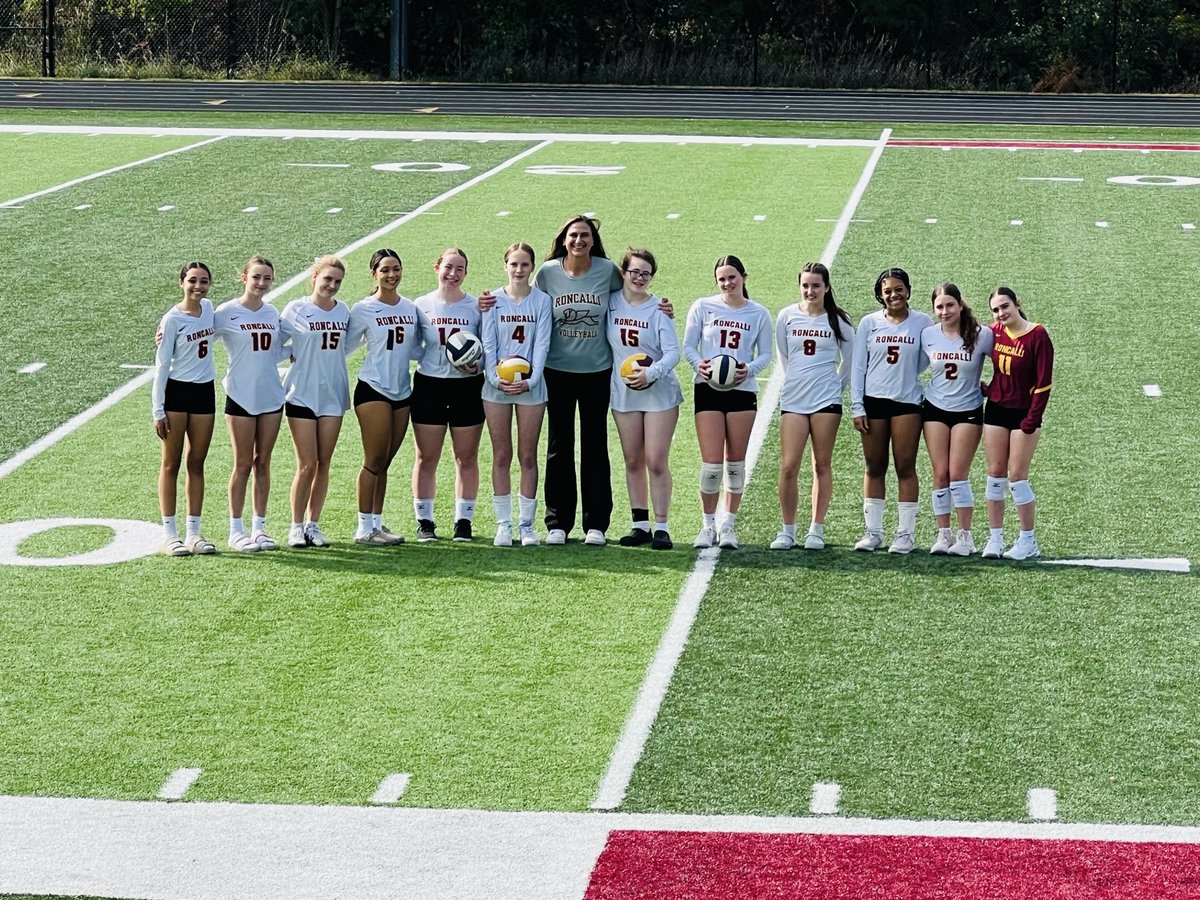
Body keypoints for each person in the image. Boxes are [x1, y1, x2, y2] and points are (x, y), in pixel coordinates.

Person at [533, 215, 624, 547]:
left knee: (595, 446)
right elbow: (531, 308)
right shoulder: (547, 273)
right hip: (556, 372)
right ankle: (558, 522)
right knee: (559, 446)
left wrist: (662, 308)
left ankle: (596, 523)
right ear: (563, 239)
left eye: (585, 235)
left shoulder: (606, 270)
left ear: (593, 239)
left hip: (597, 371)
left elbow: (629, 300)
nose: (579, 241)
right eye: (573, 235)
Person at [683, 255, 773, 550]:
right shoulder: (703, 306)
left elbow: (765, 354)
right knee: (711, 466)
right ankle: (707, 525)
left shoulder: (758, 313)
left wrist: (750, 370)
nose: (727, 283)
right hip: (708, 389)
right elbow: (688, 345)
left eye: (732, 277)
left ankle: (729, 525)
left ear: (743, 277)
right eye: (722, 278)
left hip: (741, 390)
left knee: (735, 465)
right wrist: (700, 366)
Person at [771, 262, 855, 551]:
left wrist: (835, 386)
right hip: (794, 399)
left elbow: (850, 361)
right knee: (789, 466)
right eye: (805, 285)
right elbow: (784, 356)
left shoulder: (839, 320)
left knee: (821, 463)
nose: (810, 290)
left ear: (827, 287)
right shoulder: (786, 316)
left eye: (816, 285)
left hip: (826, 401)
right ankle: (787, 530)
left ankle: (816, 529)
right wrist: (797, 380)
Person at [850, 267, 933, 554]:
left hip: (907, 402)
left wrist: (904, 374)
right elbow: (858, 365)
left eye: (899, 289)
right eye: (887, 291)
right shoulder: (869, 323)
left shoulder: (923, 321)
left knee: (905, 466)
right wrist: (857, 405)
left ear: (908, 290)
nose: (894, 295)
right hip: (873, 402)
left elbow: (926, 360)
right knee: (874, 466)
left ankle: (905, 535)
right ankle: (873, 533)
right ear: (880, 296)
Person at [607, 248, 682, 551]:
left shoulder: (658, 309)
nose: (639, 278)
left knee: (655, 459)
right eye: (634, 271)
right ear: (623, 273)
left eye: (645, 273)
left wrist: (651, 374)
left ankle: (662, 526)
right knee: (633, 459)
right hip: (624, 393)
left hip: (659, 394)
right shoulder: (610, 303)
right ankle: (640, 525)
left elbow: (672, 353)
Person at [347, 248, 422, 546]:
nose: (392, 275)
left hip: (402, 390)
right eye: (385, 270)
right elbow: (345, 346)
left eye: (396, 269)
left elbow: (416, 349)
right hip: (373, 389)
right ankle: (363, 526)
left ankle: (377, 523)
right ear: (374, 274)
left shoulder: (410, 307)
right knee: (373, 459)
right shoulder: (364, 308)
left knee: (385, 461)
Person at [480, 242, 553, 547]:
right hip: (496, 387)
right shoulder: (492, 301)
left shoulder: (542, 301)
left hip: (530, 387)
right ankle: (503, 525)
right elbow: (488, 345)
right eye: (514, 264)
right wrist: (496, 380)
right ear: (505, 266)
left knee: (527, 455)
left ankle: (526, 525)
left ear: (532, 267)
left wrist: (532, 380)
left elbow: (542, 344)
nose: (519, 270)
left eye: (524, 265)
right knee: (501, 454)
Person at [411, 247, 484, 542]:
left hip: (467, 387)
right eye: (448, 267)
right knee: (426, 457)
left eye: (460, 269)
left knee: (466, 457)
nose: (453, 274)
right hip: (430, 385)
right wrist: (431, 360)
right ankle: (425, 521)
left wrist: (475, 364)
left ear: (466, 273)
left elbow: (487, 346)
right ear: (437, 267)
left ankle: (463, 521)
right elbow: (414, 346)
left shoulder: (476, 307)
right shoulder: (421, 305)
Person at [213, 256, 285, 553]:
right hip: (241, 395)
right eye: (256, 277)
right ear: (244, 277)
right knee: (242, 464)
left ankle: (259, 527)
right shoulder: (226, 312)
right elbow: (201, 336)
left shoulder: (272, 312)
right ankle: (235, 529)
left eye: (267, 278)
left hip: (271, 395)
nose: (261, 283)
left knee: (263, 463)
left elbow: (277, 351)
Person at [279, 255, 351, 549]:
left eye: (337, 282)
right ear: (314, 278)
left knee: (324, 463)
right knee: (306, 464)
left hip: (333, 395)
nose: (331, 286)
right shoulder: (296, 309)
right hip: (301, 393)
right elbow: (273, 342)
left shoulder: (343, 310)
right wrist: (291, 356)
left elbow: (350, 342)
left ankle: (313, 524)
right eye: (327, 279)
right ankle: (295, 526)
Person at [920, 283, 993, 556]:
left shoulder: (981, 334)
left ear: (961, 305)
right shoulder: (927, 334)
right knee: (940, 473)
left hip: (968, 410)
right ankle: (943, 534)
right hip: (935, 408)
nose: (944, 311)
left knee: (957, 474)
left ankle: (966, 536)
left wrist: (993, 387)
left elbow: (1004, 364)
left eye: (950, 305)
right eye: (939, 306)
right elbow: (912, 365)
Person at [982, 286, 1054, 560]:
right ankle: (995, 538)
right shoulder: (994, 332)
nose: (1001, 313)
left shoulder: (1037, 334)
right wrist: (988, 390)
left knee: (1017, 476)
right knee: (995, 472)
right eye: (996, 309)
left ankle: (1028, 540)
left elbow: (1043, 383)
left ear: (1016, 304)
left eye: (1005, 306)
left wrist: (1031, 420)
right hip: (996, 410)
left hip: (1024, 414)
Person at [153, 262, 218, 556]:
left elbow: (213, 334)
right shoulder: (171, 319)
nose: (198, 286)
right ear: (181, 283)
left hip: (204, 392)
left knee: (197, 462)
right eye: (192, 281)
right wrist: (158, 409)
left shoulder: (210, 308)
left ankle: (193, 533)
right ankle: (170, 535)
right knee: (171, 463)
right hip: (177, 393)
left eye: (203, 281)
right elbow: (162, 364)